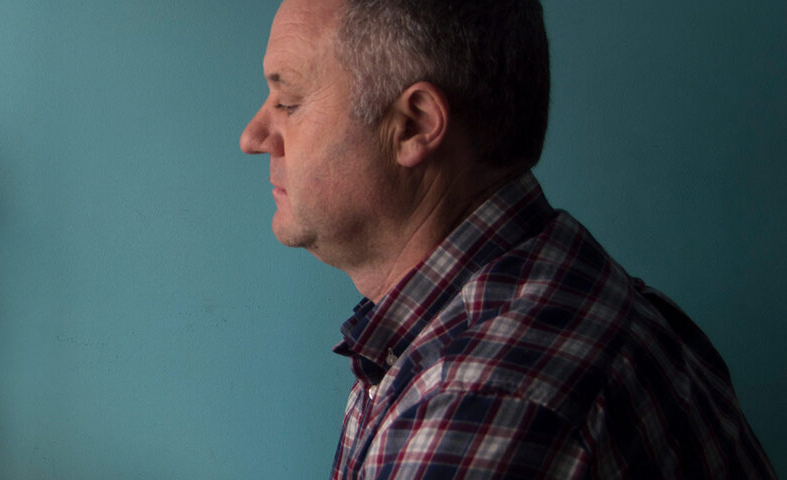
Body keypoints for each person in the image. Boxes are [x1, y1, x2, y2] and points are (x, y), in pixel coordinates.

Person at [238, 0, 777, 478]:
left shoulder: (487, 401)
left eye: (288, 102)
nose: (253, 137)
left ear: (414, 124)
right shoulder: (548, 293)